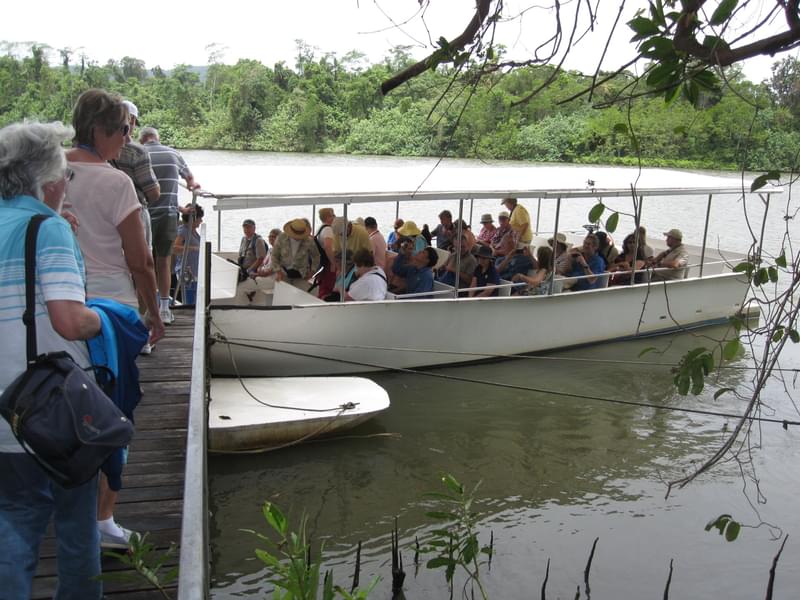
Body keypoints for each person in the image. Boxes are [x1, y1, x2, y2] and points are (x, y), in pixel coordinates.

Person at [0, 121, 104, 599]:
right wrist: (106, 320)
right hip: (55, 410)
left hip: (5, 411)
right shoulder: (48, 228)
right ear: (49, 179)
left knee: (14, 524)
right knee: (76, 525)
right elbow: (68, 319)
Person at [66, 88, 165, 551]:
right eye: (124, 131)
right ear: (104, 131)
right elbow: (140, 260)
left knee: (63, 405)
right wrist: (154, 312)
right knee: (114, 412)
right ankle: (103, 519)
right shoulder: (114, 182)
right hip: (110, 312)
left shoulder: (46, 173)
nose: (127, 140)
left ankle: (68, 504)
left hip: (58, 307)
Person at [139, 126, 200, 324]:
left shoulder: (137, 153)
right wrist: (192, 187)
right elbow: (190, 179)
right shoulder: (173, 153)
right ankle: (165, 307)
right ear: (157, 139)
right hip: (167, 215)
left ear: (142, 140)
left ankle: (146, 309)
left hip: (142, 215)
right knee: (163, 261)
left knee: (143, 265)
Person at [270, 218, 320, 284]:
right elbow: (274, 255)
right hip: (283, 274)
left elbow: (316, 256)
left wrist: (312, 271)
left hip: (302, 275)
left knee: (300, 294)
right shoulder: (281, 238)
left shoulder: (309, 240)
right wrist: (278, 271)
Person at [173, 203, 204, 305]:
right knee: (189, 303)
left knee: (196, 302)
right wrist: (193, 248)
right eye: (200, 218)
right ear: (194, 218)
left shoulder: (193, 231)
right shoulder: (183, 230)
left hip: (195, 274)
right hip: (187, 275)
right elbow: (175, 248)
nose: (201, 221)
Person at [315, 207, 337, 298]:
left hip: (322, 263)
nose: (335, 217)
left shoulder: (320, 228)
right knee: (328, 288)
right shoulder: (328, 230)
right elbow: (328, 247)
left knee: (323, 287)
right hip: (328, 264)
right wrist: (333, 262)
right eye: (333, 215)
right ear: (328, 217)